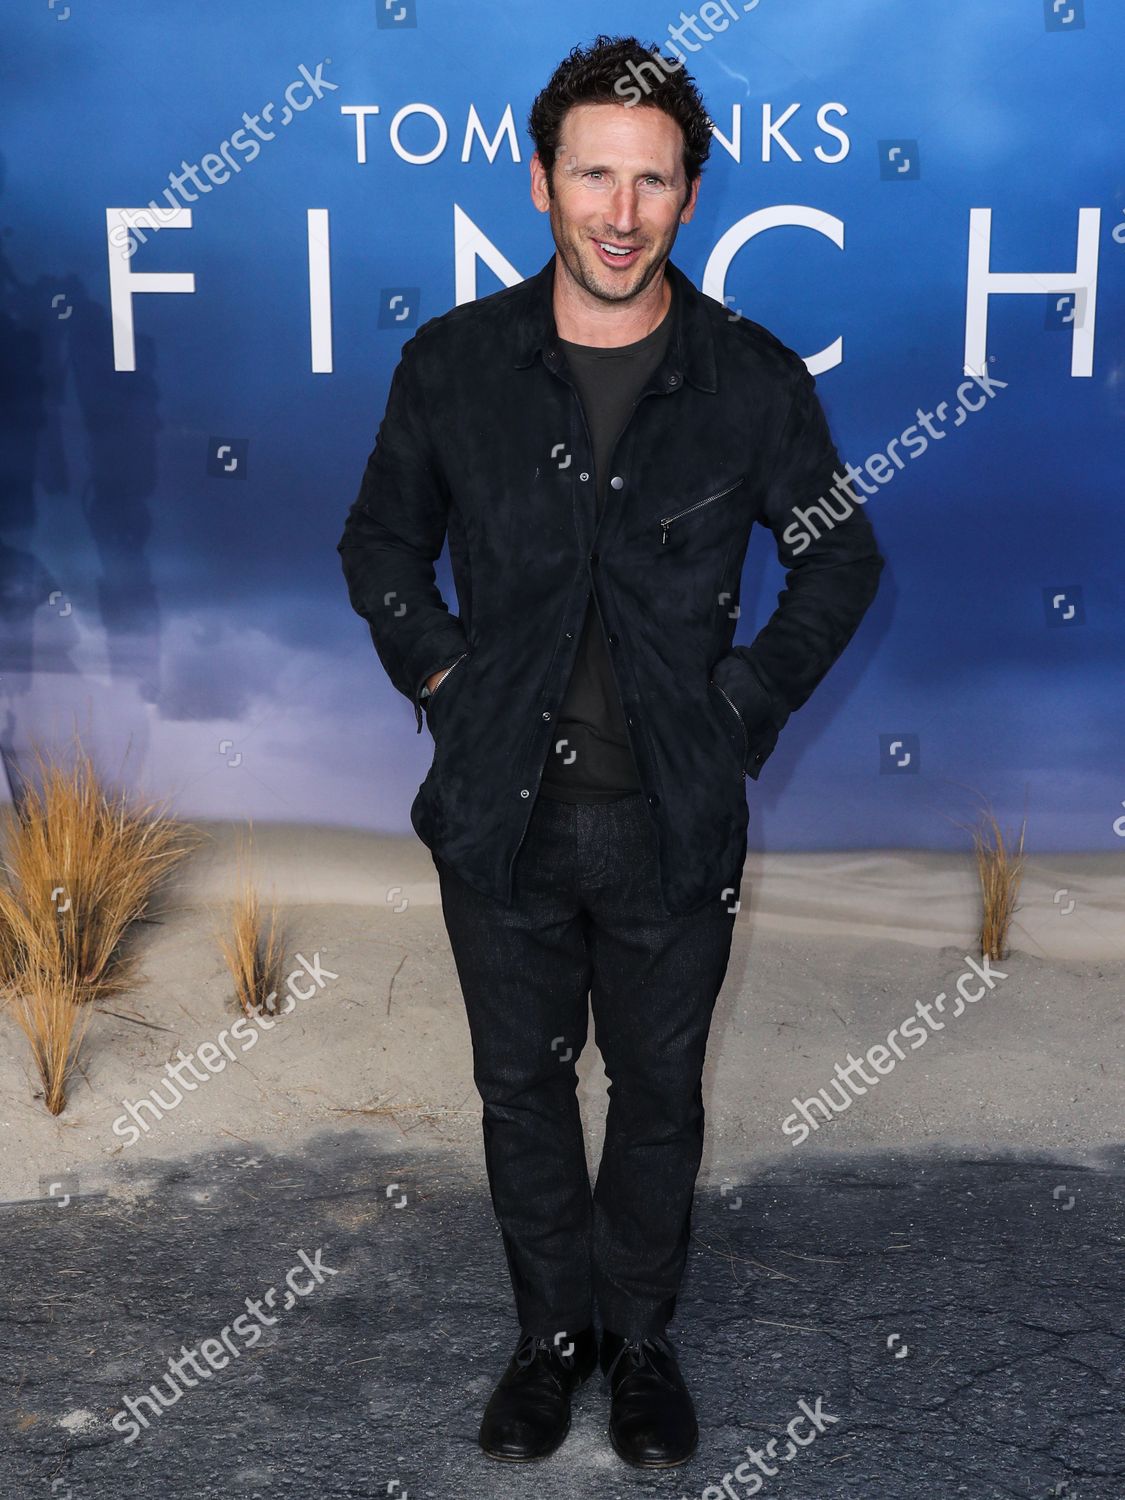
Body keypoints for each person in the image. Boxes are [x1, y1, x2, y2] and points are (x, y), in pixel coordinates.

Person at [337, 33, 884, 1469]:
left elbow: (838, 560)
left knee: (655, 1100)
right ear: (541, 182)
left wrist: (743, 705)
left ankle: (639, 1347)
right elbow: (379, 540)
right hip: (495, 823)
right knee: (519, 1091)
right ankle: (546, 1340)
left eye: (650, 181)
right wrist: (446, 673)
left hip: (670, 824)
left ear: (688, 197)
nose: (619, 210)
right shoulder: (453, 365)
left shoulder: (749, 380)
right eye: (594, 174)